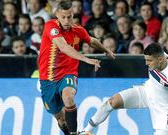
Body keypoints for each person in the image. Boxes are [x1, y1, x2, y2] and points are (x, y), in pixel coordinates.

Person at [80, 43, 168, 135]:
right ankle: (86, 131)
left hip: (164, 108)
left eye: (149, 61)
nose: (146, 63)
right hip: (146, 92)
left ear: (160, 59)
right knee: (111, 103)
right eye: (145, 59)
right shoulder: (157, 56)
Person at [38, 1, 115, 135]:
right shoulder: (51, 26)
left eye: (70, 17)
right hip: (47, 78)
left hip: (68, 73)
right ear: (57, 15)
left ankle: (74, 133)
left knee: (68, 97)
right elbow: (63, 46)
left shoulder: (77, 30)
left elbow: (91, 40)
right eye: (63, 17)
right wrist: (86, 59)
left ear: (73, 15)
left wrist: (105, 49)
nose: (67, 20)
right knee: (62, 120)